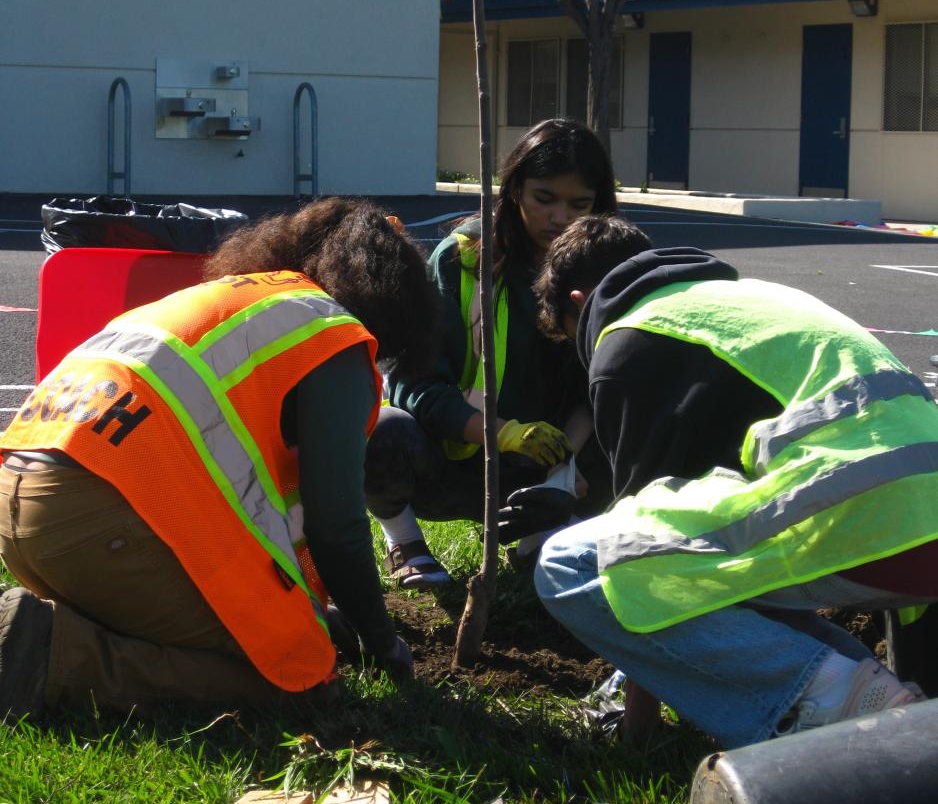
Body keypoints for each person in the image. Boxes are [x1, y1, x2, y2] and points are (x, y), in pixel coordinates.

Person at [0, 199, 439, 720]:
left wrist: (309, 610)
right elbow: (336, 528)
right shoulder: (330, 333)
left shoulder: (233, 303)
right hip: (100, 523)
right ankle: (50, 655)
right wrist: (382, 643)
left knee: (282, 632)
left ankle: (68, 626)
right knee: (297, 677)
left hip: (23, 507)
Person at [530, 214, 938, 748]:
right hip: (911, 526)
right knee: (722, 558)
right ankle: (878, 701)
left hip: (866, 517)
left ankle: (834, 702)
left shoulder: (627, 342)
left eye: (570, 336)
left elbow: (640, 563)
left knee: (572, 564)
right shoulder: (737, 303)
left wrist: (637, 733)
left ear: (581, 303)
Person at [365, 118, 619, 589]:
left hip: (555, 465)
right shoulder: (465, 258)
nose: (560, 218)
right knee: (382, 432)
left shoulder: (604, 268)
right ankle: (405, 542)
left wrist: (565, 468)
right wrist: (502, 433)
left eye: (578, 205)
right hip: (457, 459)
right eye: (545, 199)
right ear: (515, 187)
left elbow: (605, 383)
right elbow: (411, 383)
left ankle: (541, 537)